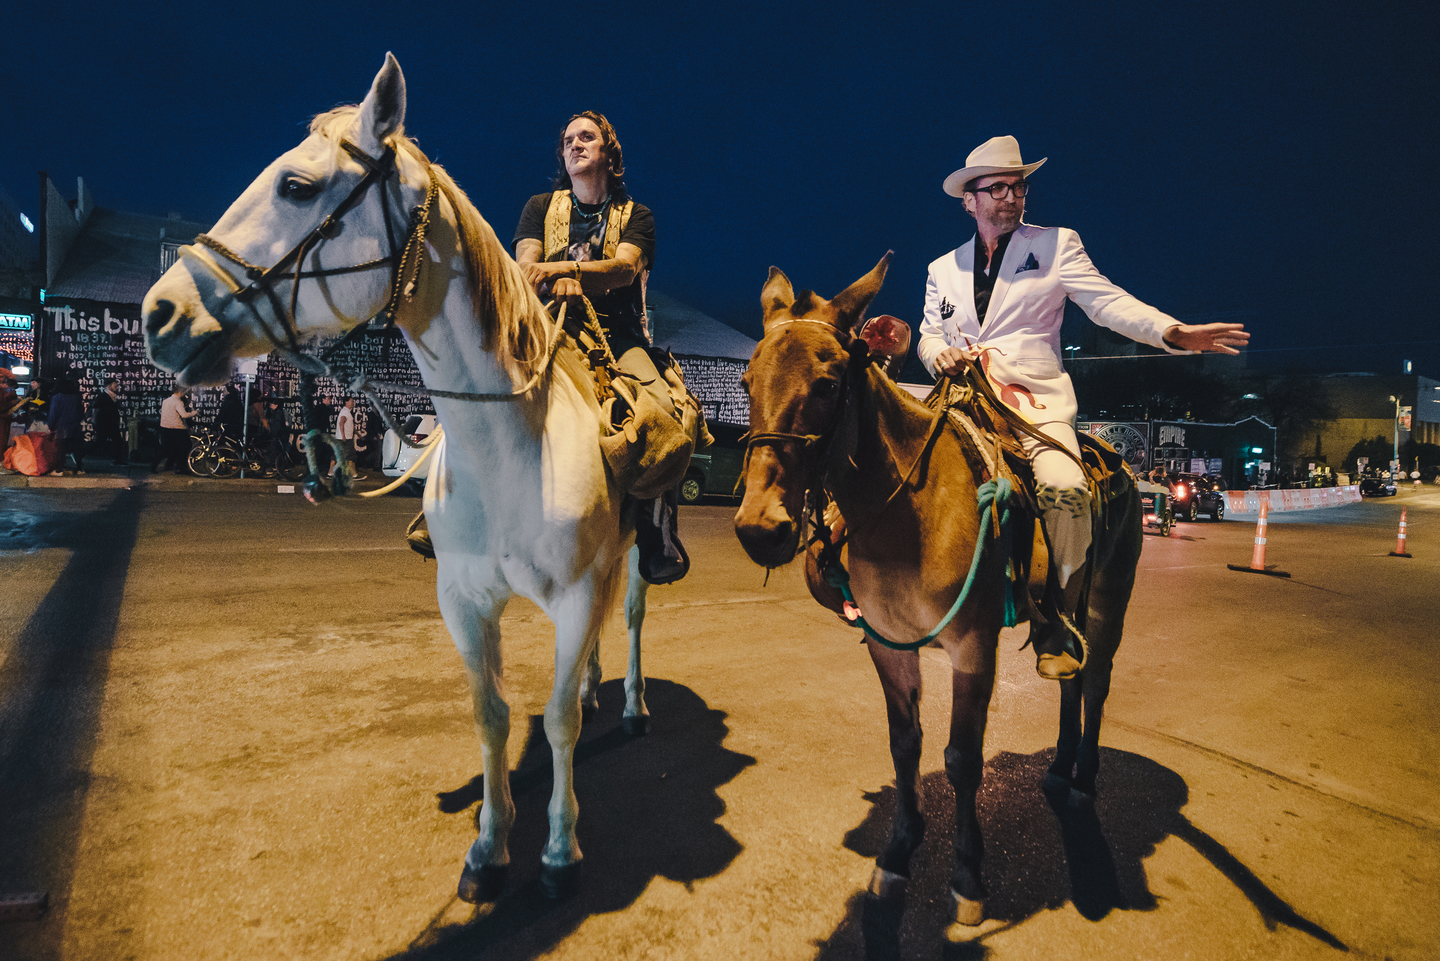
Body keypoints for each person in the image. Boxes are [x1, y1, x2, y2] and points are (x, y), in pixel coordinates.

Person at [917, 135, 1250, 680]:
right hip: (960, 401)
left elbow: (1106, 301)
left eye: (1019, 187)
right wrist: (938, 354)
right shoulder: (941, 268)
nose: (1011, 196)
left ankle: (1058, 618)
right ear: (969, 200)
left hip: (1033, 406)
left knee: (1066, 488)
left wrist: (1172, 332)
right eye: (997, 188)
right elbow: (929, 334)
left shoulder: (1055, 245)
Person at [47, 377, 87, 474]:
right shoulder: (76, 397)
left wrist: (51, 426)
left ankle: (59, 470)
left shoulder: (57, 397)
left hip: (62, 426)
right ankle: (79, 468)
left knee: (61, 449)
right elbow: (81, 412)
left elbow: (53, 414)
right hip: (75, 426)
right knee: (77, 449)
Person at [153, 385, 196, 473]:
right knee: (185, 447)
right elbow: (184, 415)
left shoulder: (165, 401)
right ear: (180, 392)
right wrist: (194, 413)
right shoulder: (178, 402)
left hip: (165, 428)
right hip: (178, 429)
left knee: (165, 449)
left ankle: (155, 465)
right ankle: (181, 467)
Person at [93, 377, 127, 465]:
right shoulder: (102, 396)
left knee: (117, 441)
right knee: (100, 441)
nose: (117, 387)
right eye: (114, 385)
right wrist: (95, 421)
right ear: (108, 386)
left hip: (111, 423)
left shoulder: (112, 397)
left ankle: (118, 459)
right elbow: (96, 409)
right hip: (104, 423)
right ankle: (81, 454)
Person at [332, 397, 364, 479]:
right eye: (351, 401)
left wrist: (358, 434)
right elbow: (341, 423)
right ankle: (353, 474)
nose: (353, 403)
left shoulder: (346, 411)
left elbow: (350, 426)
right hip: (345, 439)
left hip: (343, 438)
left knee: (337, 455)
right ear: (346, 402)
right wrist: (343, 435)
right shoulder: (345, 411)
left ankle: (330, 472)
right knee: (351, 456)